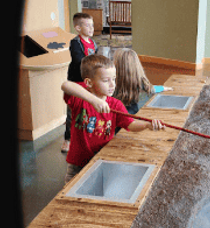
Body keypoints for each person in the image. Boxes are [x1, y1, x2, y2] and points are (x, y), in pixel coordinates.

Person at [61, 54, 164, 184]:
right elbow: (66, 85)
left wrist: (147, 125)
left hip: (103, 160)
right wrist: (93, 100)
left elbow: (130, 124)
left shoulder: (116, 104)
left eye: (114, 79)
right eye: (105, 80)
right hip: (77, 164)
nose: (112, 85)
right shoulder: (81, 98)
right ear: (89, 82)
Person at [62, 12, 98, 153]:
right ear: (78, 28)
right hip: (76, 82)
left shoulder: (93, 43)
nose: (91, 28)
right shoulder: (75, 42)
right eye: (87, 26)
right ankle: (68, 139)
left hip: (89, 82)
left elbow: (97, 58)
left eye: (92, 25)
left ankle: (86, 136)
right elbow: (78, 60)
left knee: (89, 109)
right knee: (73, 112)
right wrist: (93, 64)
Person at [113, 48, 173, 114]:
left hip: (117, 118)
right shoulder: (140, 81)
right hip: (134, 117)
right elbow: (151, 88)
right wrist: (163, 88)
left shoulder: (112, 83)